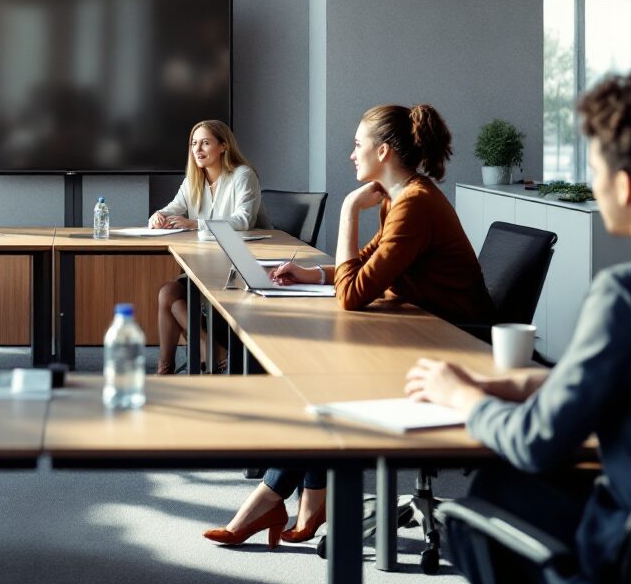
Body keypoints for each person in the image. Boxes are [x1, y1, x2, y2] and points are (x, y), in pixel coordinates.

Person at [406, 70, 631, 584]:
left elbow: (536, 442)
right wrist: (514, 384)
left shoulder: (629, 295)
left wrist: (462, 397)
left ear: (624, 186)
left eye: (595, 170)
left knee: (496, 490)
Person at [204, 103, 493, 547]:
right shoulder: (402, 198)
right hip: (416, 331)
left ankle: (275, 499)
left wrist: (348, 211)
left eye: (358, 145)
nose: (351, 154)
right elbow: (365, 268)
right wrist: (312, 274)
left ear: (383, 151)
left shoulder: (414, 204)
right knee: (318, 378)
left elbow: (353, 293)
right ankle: (303, 499)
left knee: (321, 382)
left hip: (447, 348)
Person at [149, 119, 261, 375]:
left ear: (223, 146)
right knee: (168, 293)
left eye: (205, 143)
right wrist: (158, 216)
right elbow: (172, 209)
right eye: (193, 144)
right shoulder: (193, 180)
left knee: (172, 298)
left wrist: (195, 224)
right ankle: (186, 360)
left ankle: (207, 354)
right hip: (203, 264)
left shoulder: (243, 175)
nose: (197, 149)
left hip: (238, 265)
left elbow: (244, 220)